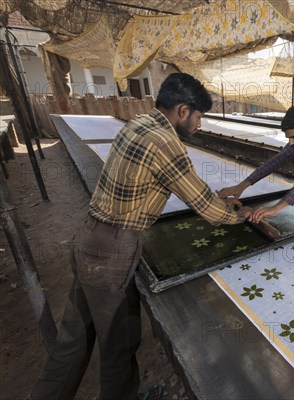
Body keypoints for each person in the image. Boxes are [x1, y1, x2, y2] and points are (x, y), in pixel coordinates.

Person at [30, 73, 251, 400]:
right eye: (199, 116)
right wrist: (241, 214)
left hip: (88, 238)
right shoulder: (165, 143)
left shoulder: (139, 124)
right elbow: (207, 208)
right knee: (118, 345)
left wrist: (216, 199)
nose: (200, 125)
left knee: (72, 341)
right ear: (182, 110)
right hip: (112, 253)